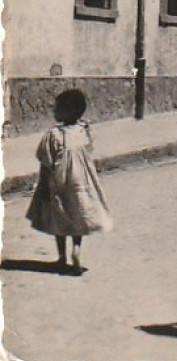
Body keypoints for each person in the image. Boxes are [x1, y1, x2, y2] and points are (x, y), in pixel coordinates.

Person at [26, 88, 112, 275]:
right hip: (80, 182)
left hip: (59, 181)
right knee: (78, 215)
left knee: (60, 215)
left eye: (57, 108)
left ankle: (62, 257)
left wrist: (43, 183)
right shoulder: (84, 131)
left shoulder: (54, 134)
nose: (54, 111)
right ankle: (77, 250)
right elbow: (89, 149)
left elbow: (46, 160)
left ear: (67, 112)